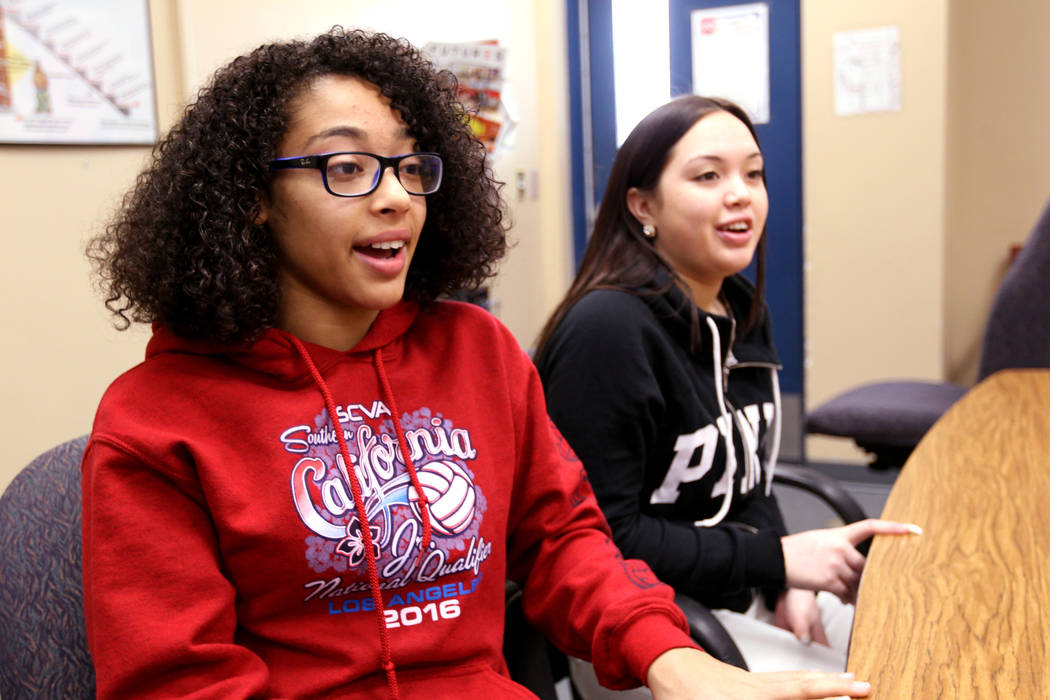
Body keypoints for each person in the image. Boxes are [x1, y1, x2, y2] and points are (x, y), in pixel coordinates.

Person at [82, 28, 875, 700]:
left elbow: (566, 540)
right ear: (252, 196)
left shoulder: (476, 352)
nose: (395, 197)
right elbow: (181, 683)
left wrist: (674, 661)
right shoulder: (156, 421)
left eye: (410, 166)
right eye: (347, 167)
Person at [534, 95, 919, 691]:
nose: (740, 193)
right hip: (650, 628)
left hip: (739, 593)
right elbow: (600, 542)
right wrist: (777, 559)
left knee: (914, 645)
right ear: (643, 206)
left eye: (753, 173)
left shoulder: (739, 307)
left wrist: (784, 578)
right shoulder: (606, 331)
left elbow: (751, 479)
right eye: (708, 175)